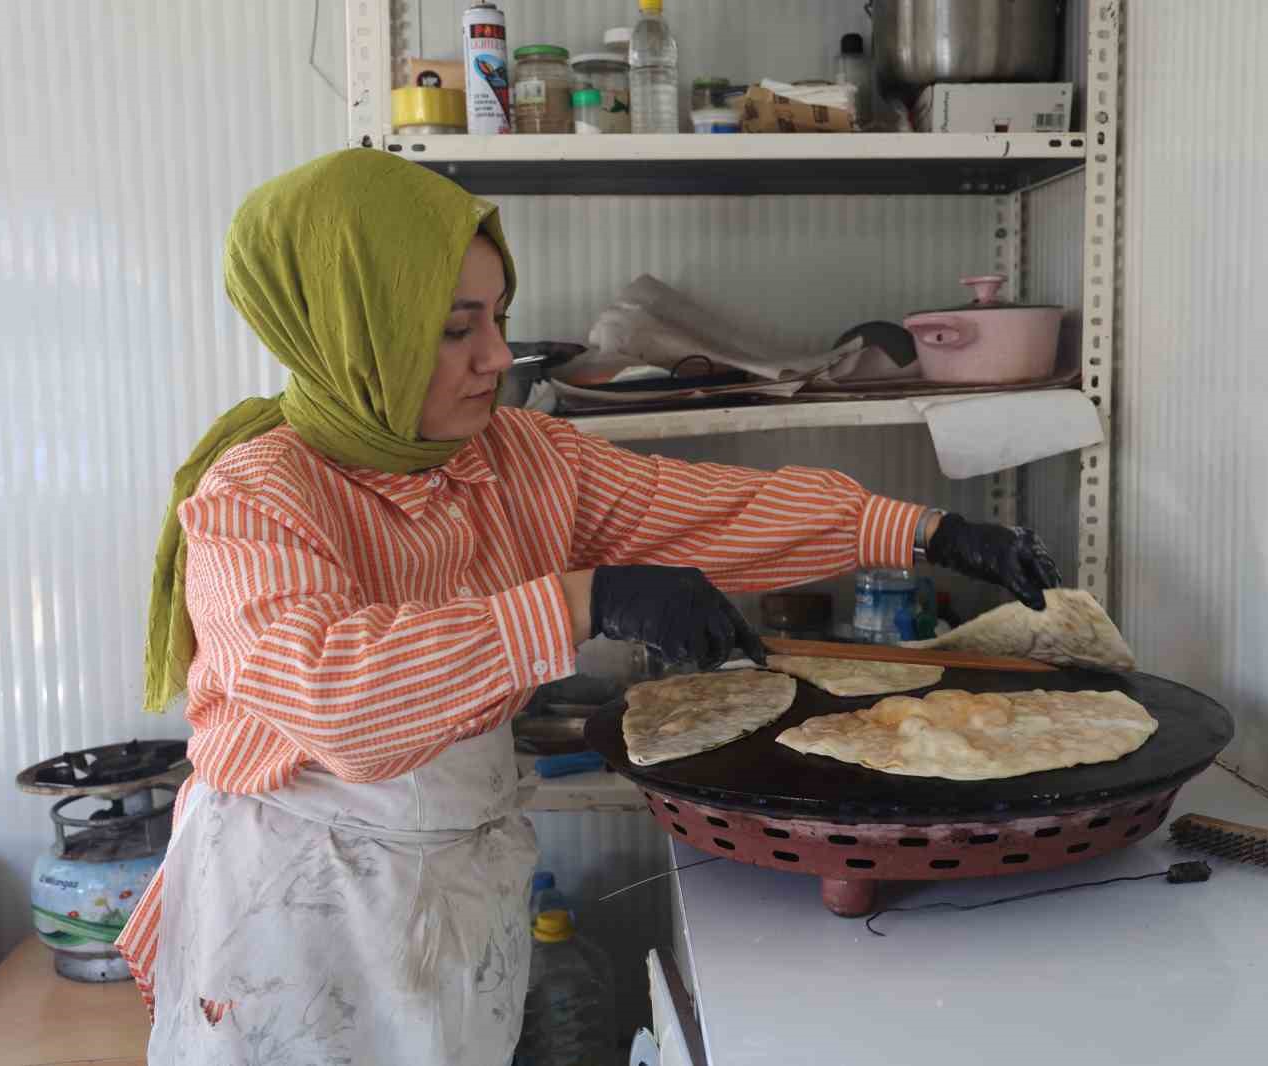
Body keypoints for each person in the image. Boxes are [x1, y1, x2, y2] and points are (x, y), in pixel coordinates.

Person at [116, 149, 1060, 1065]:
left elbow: (711, 511)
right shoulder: (257, 496)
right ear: (351, 328)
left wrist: (918, 530)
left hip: (453, 876)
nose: (495, 356)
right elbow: (338, 700)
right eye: (454, 327)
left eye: (499, 317)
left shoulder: (517, 456)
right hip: (295, 899)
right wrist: (581, 599)